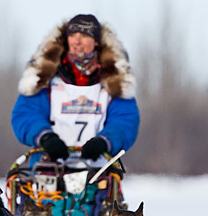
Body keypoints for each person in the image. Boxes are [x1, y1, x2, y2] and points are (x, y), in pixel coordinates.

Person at [11, 14, 140, 167]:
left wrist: (104, 141)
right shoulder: (46, 80)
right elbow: (26, 114)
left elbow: (125, 120)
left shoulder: (114, 82)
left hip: (99, 171)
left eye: (85, 35)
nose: (77, 41)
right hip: (49, 169)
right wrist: (45, 137)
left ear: (96, 41)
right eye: (73, 35)